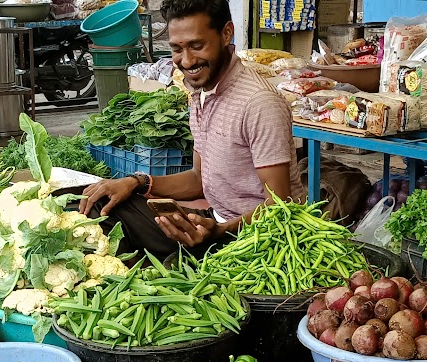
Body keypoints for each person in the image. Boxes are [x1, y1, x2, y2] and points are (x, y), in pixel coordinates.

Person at [78, 0, 305, 256]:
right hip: (213, 222)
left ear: (227, 33)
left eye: (197, 46)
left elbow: (280, 205)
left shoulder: (259, 103)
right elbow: (199, 179)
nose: (186, 61)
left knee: (164, 266)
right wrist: (136, 182)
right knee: (96, 204)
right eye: (177, 49)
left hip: (253, 237)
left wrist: (221, 231)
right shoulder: (201, 91)